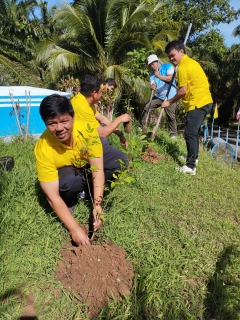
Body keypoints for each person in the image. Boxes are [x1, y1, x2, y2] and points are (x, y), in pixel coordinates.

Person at [34, 94, 105, 246]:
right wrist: (74, 228)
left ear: (73, 117)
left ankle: (89, 192)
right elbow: (52, 196)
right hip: (69, 173)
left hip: (86, 164)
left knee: (117, 162)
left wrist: (97, 204)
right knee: (67, 182)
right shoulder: (43, 147)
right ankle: (71, 199)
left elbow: (98, 170)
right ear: (45, 123)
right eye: (52, 123)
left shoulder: (86, 130)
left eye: (64, 121)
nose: (59, 128)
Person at [162, 40, 213, 175]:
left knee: (189, 133)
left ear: (181, 51)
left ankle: (190, 167)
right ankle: (193, 158)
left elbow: (183, 90)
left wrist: (169, 102)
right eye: (169, 57)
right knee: (193, 133)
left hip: (197, 102)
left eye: (173, 55)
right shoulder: (190, 63)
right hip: (204, 101)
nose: (171, 59)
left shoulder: (183, 67)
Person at [71, 74, 131, 182]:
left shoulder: (82, 100)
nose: (101, 94)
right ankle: (88, 183)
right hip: (78, 150)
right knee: (123, 159)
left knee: (103, 141)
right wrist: (120, 119)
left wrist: (120, 134)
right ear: (94, 93)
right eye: (100, 92)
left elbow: (103, 120)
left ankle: (93, 170)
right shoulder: (82, 107)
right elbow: (103, 133)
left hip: (82, 142)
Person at [141, 54, 178, 138]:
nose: (152, 66)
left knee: (171, 117)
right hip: (159, 96)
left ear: (157, 62)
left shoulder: (167, 66)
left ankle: (173, 135)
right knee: (147, 107)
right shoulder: (152, 75)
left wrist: (159, 76)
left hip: (170, 96)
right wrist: (153, 86)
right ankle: (143, 128)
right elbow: (153, 83)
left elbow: (170, 78)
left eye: (153, 64)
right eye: (150, 65)